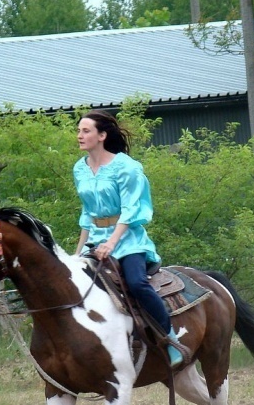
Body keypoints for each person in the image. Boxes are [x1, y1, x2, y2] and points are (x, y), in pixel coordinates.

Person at [72, 109, 184, 366]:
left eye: (85, 131)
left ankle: (170, 339)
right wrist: (77, 253)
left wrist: (111, 243)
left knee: (136, 283)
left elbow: (132, 210)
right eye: (78, 131)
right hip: (95, 239)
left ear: (102, 135)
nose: (79, 135)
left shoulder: (127, 167)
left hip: (128, 240)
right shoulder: (80, 168)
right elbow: (87, 213)